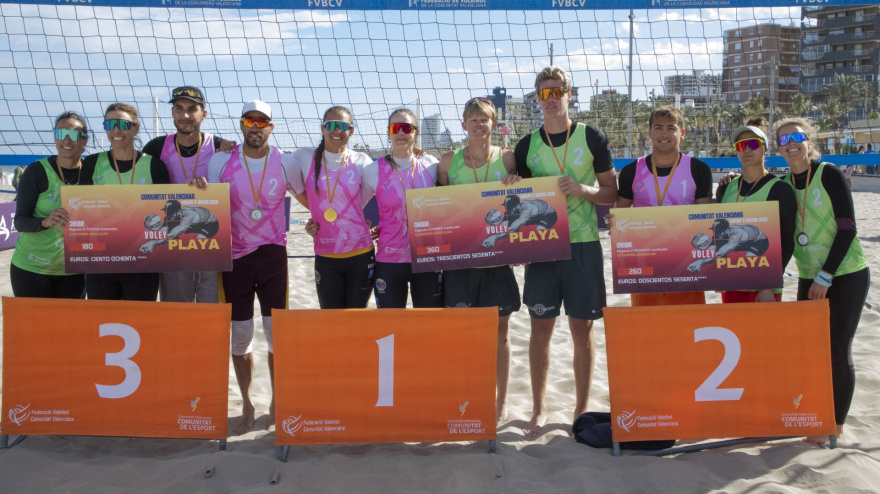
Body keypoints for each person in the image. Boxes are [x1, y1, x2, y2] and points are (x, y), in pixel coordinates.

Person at [513, 66, 618, 436]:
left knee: (582, 328)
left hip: (585, 244)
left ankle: (580, 410)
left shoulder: (592, 137)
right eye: (544, 93)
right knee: (540, 328)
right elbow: (519, 198)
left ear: (569, 95)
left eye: (557, 91)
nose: (551, 98)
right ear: (537, 99)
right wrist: (512, 182)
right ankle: (539, 410)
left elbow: (611, 192)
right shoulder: (527, 145)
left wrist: (584, 190)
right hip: (544, 247)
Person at [774, 117, 870, 448]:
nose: (791, 143)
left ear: (809, 140)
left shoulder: (828, 173)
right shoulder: (784, 184)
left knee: (837, 350)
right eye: (784, 139)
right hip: (808, 275)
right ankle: (815, 416)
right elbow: (778, 234)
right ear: (778, 148)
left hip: (845, 273)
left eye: (797, 136)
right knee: (810, 353)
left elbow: (847, 227)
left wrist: (826, 275)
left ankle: (836, 426)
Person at [206, 100, 297, 435]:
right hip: (235, 258)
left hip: (274, 257)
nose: (256, 127)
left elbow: (312, 199)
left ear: (271, 127)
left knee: (277, 335)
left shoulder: (286, 163)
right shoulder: (220, 161)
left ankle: (276, 401)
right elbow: (204, 203)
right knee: (240, 336)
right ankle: (246, 403)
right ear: (241, 124)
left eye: (263, 122)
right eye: (250, 121)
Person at [437, 97, 522, 422]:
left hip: (497, 261)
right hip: (461, 264)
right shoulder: (448, 162)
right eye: (472, 119)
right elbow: (437, 208)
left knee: (501, 334)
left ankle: (499, 403)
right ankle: (465, 398)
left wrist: (517, 183)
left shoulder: (508, 158)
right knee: (462, 334)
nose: (478, 124)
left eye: (484, 119)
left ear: (492, 124)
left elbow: (523, 202)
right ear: (464, 125)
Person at [607, 105, 713, 306]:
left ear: (682, 133)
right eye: (658, 127)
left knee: (688, 326)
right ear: (649, 132)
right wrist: (615, 222)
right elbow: (620, 212)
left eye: (671, 128)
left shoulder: (699, 169)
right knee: (647, 327)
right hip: (644, 260)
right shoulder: (631, 171)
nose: (664, 134)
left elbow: (706, 219)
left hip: (686, 261)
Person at [142, 86, 234, 304]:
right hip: (174, 249)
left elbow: (236, 191)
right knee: (178, 316)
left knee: (212, 317)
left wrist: (210, 189)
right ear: (172, 113)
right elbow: (141, 194)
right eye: (178, 109)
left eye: (191, 109)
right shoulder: (155, 148)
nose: (184, 115)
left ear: (203, 114)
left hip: (211, 244)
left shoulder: (220, 148)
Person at [80, 102, 170, 301]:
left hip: (143, 263)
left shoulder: (154, 165)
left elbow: (166, 215)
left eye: (123, 124)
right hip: (101, 262)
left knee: (139, 323)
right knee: (103, 323)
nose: (116, 130)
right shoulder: (92, 164)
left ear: (136, 128)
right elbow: (81, 211)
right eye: (110, 124)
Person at [289, 106, 375, 309]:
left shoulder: (362, 161)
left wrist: (414, 151)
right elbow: (275, 167)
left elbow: (386, 189)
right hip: (326, 254)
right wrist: (316, 215)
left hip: (361, 254)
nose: (337, 130)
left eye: (343, 126)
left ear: (351, 131)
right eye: (331, 125)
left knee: (355, 322)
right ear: (322, 128)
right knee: (331, 321)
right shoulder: (302, 157)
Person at [361, 108, 442, 308]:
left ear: (416, 133)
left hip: (426, 257)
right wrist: (368, 224)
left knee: (427, 326)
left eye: (407, 127)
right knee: (391, 327)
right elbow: (355, 208)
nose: (401, 132)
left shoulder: (431, 165)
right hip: (390, 258)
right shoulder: (373, 170)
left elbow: (451, 203)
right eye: (395, 128)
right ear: (388, 133)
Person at [714, 117, 796, 303]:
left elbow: (786, 242)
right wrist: (716, 274)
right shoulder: (726, 187)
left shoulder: (780, 189)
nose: (747, 149)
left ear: (765, 148)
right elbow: (721, 235)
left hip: (764, 285)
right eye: (741, 145)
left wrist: (767, 286)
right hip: (732, 282)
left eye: (753, 144)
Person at [10, 112, 89, 298]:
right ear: (55, 137)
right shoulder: (36, 171)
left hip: (74, 271)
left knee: (67, 327)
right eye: (61, 134)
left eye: (74, 134)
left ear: (85, 140)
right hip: (32, 268)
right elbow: (20, 222)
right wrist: (46, 221)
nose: (67, 141)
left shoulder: (92, 171)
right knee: (33, 327)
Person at [138, 199, 220, 253]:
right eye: (167, 212)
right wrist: (151, 242)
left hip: (209, 224)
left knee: (198, 244)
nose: (168, 215)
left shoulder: (189, 215)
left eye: (170, 212)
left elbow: (174, 234)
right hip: (192, 224)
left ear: (178, 211)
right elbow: (163, 235)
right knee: (171, 235)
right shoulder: (171, 216)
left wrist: (153, 242)